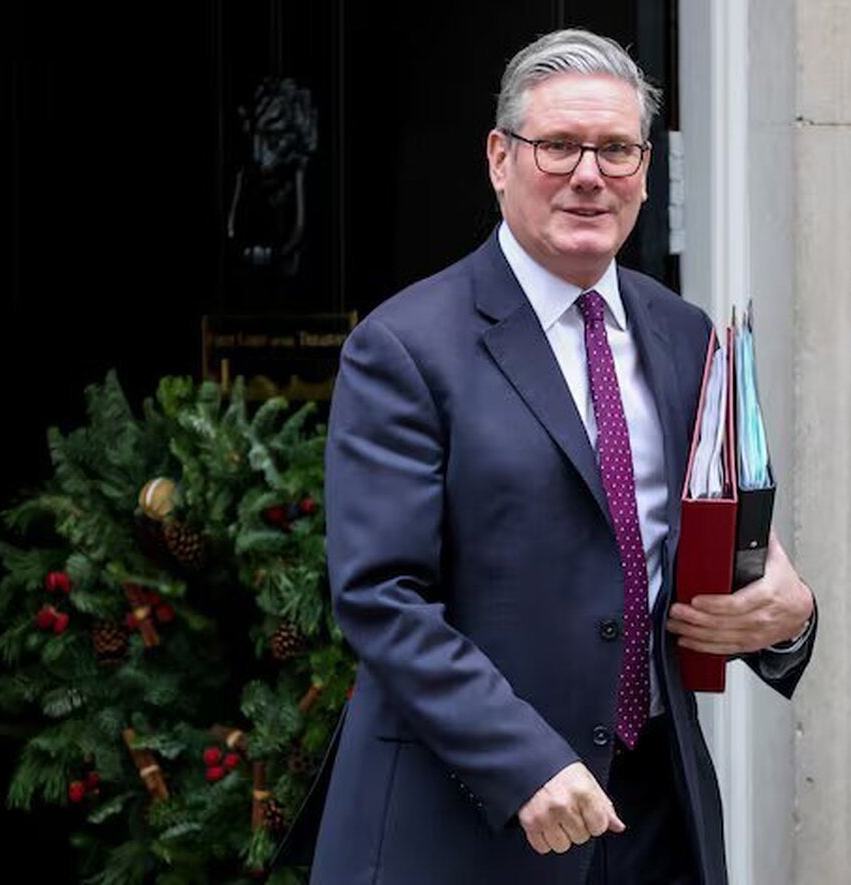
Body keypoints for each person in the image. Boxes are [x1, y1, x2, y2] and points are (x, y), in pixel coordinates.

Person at [309, 28, 816, 885]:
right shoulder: (404, 347)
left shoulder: (686, 335)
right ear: (499, 158)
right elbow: (381, 596)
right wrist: (523, 762)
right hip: (468, 823)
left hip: (655, 820)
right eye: (559, 146)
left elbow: (722, 549)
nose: (590, 174)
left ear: (645, 172)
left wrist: (788, 614)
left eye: (616, 149)